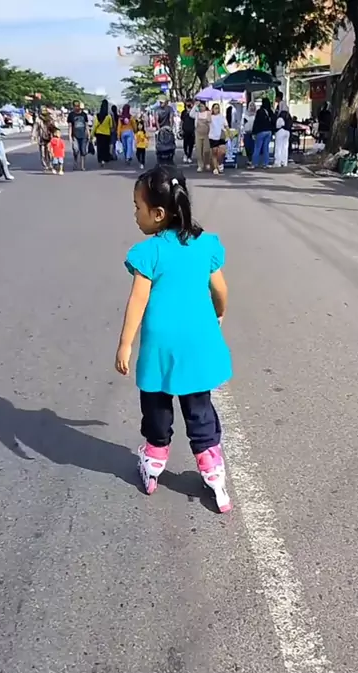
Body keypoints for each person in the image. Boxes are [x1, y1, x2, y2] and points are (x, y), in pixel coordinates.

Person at [115, 164, 232, 513]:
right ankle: (212, 470)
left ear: (158, 213)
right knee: (199, 406)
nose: (135, 214)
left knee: (157, 405)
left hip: (161, 348)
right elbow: (221, 290)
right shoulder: (205, 245)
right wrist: (219, 312)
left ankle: (154, 460)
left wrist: (125, 344)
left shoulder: (148, 252)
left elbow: (138, 301)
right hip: (198, 344)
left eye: (138, 207)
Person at [67, 100, 89, 171]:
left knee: (83, 151)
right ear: (73, 107)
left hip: (83, 135)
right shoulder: (71, 115)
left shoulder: (84, 115)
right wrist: (70, 136)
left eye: (78, 106)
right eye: (75, 106)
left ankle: (82, 166)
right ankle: (75, 161)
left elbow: (86, 125)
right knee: (76, 150)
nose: (76, 107)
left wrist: (88, 134)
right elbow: (70, 126)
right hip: (75, 135)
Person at [190, 100, 211, 172]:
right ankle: (200, 165)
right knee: (198, 149)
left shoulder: (208, 113)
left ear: (205, 106)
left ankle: (207, 162)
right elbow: (191, 114)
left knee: (206, 150)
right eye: (200, 106)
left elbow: (211, 123)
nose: (201, 108)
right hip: (198, 133)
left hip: (207, 134)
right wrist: (195, 105)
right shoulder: (197, 113)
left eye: (202, 106)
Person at [252, 98, 273, 168]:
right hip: (269, 131)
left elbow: (256, 122)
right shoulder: (270, 111)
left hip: (261, 131)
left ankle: (254, 163)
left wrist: (253, 132)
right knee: (266, 148)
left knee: (257, 148)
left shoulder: (259, 111)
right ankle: (265, 163)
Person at [93, 99, 114, 166]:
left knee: (99, 147)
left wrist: (92, 135)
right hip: (106, 134)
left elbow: (95, 126)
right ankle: (105, 159)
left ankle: (100, 159)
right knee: (105, 147)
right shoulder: (109, 116)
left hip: (99, 134)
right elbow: (111, 126)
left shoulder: (97, 116)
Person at [209, 103, 228, 175]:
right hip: (213, 137)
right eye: (215, 108)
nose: (217, 109)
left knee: (222, 152)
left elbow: (226, 125)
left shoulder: (222, 117)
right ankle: (215, 168)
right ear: (213, 109)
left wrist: (229, 133)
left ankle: (220, 163)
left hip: (221, 136)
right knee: (214, 152)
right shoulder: (210, 117)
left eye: (218, 108)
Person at [273, 98, 292, 168]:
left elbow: (278, 124)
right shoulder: (288, 115)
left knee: (278, 147)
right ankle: (284, 162)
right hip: (287, 132)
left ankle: (277, 162)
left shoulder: (281, 114)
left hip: (280, 131)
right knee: (285, 147)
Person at [180, 99, 195, 163]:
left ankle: (189, 156)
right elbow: (182, 121)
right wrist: (180, 129)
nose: (188, 105)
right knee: (185, 143)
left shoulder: (194, 111)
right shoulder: (183, 112)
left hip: (192, 130)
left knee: (191, 144)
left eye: (190, 104)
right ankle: (185, 154)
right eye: (187, 104)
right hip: (185, 129)